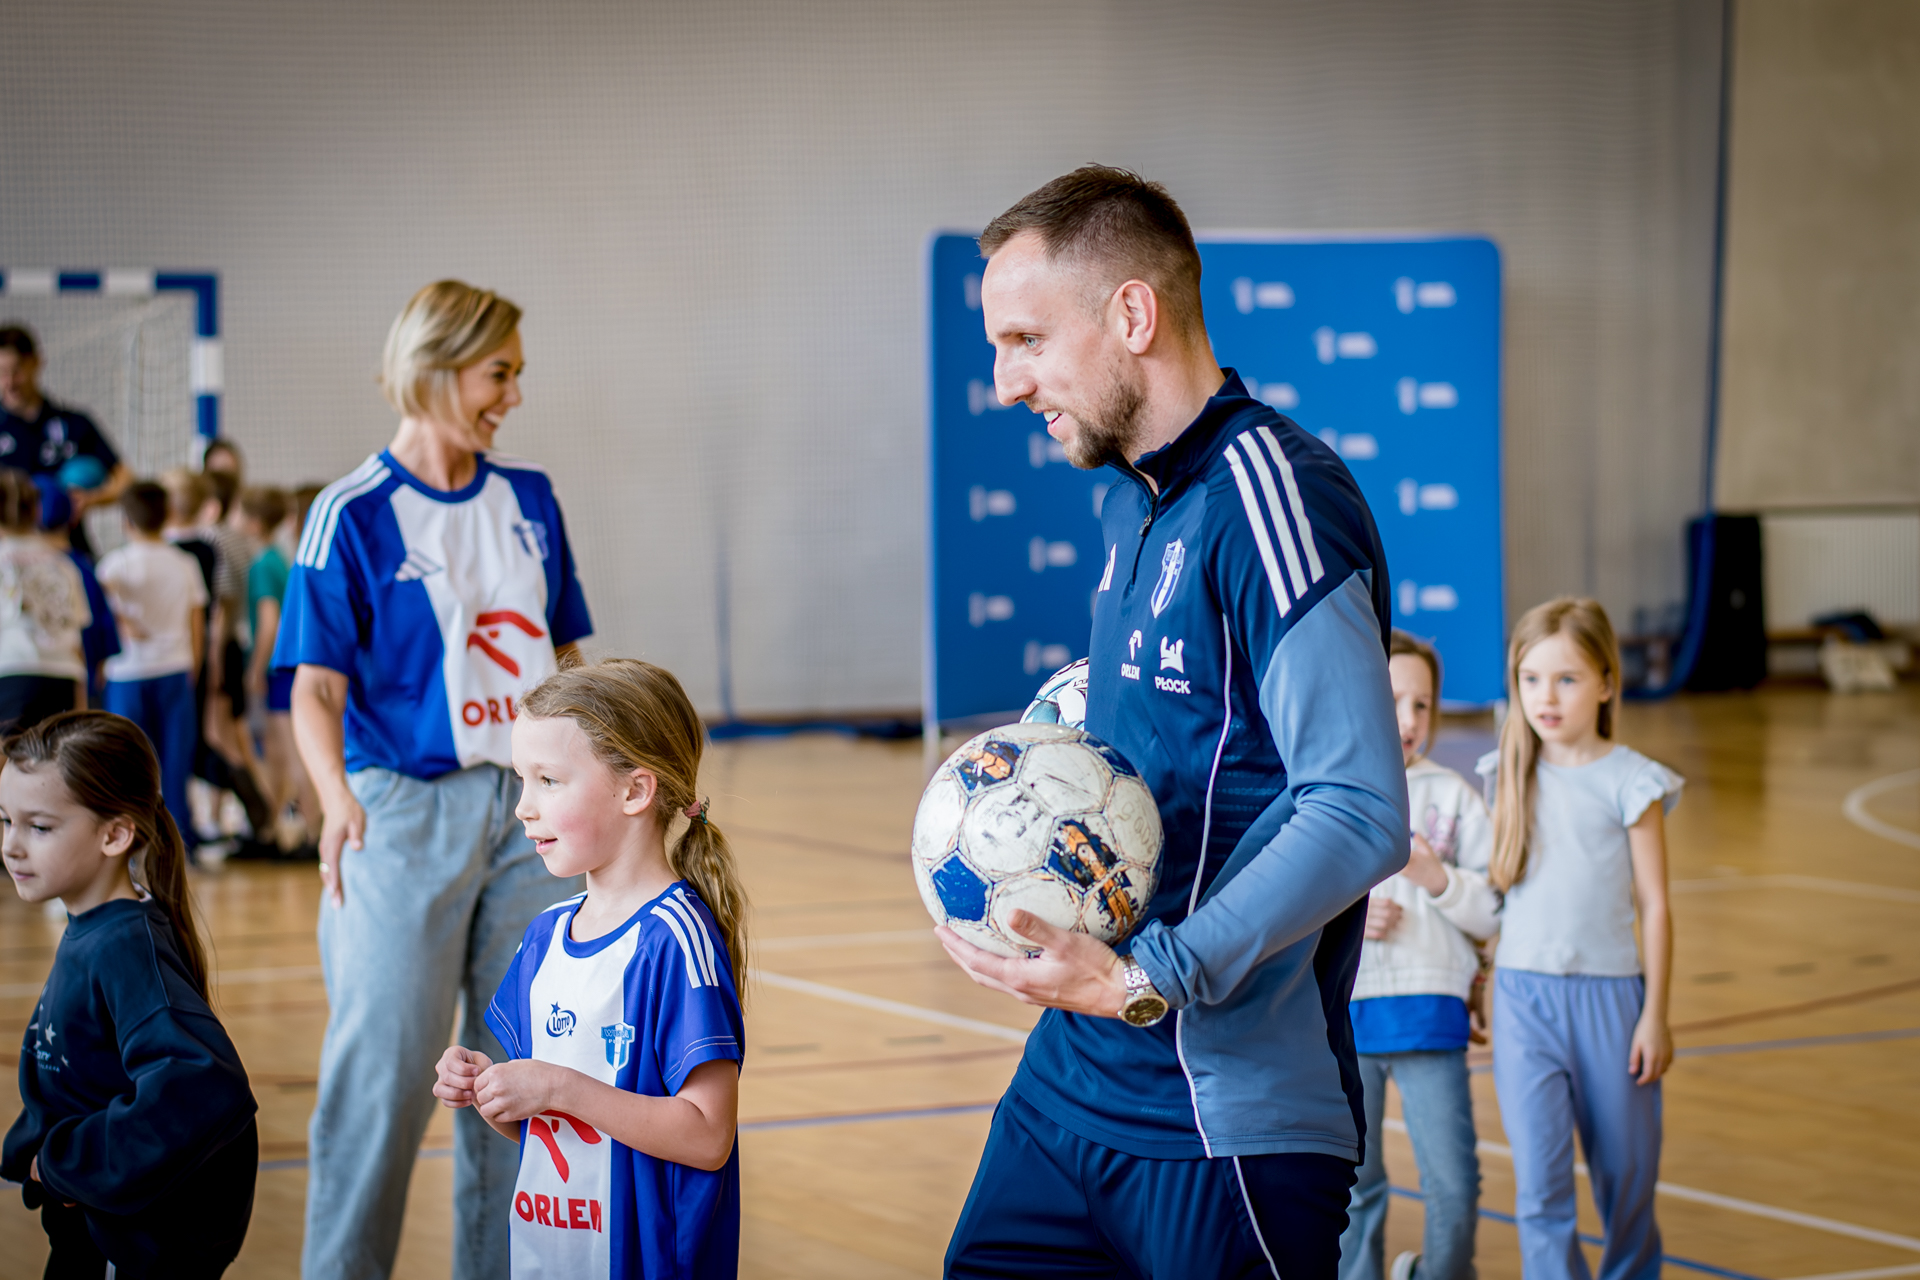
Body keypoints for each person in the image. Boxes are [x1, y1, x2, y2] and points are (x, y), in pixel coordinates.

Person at [938, 167, 1407, 1277]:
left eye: (1026, 340)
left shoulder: (1276, 501)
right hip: (1070, 1083)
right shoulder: (1132, 502)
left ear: (1133, 315)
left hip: (1222, 1116)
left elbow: (1358, 806)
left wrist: (1149, 976)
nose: (1006, 383)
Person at [277, 280, 594, 1280]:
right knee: (380, 1079)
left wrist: (601, 776)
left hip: (534, 812)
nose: (514, 395)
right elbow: (313, 688)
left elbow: (569, 662)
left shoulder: (531, 500)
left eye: (517, 374)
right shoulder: (349, 513)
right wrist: (336, 800)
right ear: (438, 365)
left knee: (514, 1079)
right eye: (500, 373)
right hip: (401, 814)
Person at [434, 658, 747, 1279]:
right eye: (521, 780)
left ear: (635, 791)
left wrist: (556, 1087)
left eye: (548, 780)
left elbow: (708, 1136)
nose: (523, 808)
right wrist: (496, 1092)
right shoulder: (544, 936)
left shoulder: (675, 941)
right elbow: (558, 1131)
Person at [0, 710, 258, 1277]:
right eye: (5, 821)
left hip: (125, 1244)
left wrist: (70, 1163)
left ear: (114, 835)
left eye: (38, 828)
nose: (12, 846)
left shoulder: (125, 947)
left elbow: (203, 1086)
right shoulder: (93, 926)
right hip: (91, 1227)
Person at [1478, 598, 1679, 1280]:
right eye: (1531, 679)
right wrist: (1480, 982)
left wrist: (1654, 1015)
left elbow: (1655, 906)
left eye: (1566, 679)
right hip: (1523, 1001)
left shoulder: (1633, 781)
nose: (1547, 697)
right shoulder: (1505, 774)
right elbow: (1493, 898)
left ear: (1606, 684)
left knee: (1628, 1179)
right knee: (1540, 1188)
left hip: (1612, 1003)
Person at [1340, 632, 1500, 1280]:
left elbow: (1493, 913)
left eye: (1423, 704)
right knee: (1355, 1187)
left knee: (1454, 1185)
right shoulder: (1327, 791)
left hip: (1430, 1017)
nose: (1408, 720)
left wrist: (1438, 880)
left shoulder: (1455, 797)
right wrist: (1351, 919)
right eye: (1393, 699)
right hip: (1346, 1022)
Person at [99, 482, 209, 849]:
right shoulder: (185, 563)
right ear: (167, 517)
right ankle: (178, 843)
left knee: (128, 765)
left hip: (126, 674)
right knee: (175, 763)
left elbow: (103, 616)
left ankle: (130, 842)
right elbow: (197, 622)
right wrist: (194, 666)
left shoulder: (114, 564)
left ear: (125, 521)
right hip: (175, 669)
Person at [0, 325, 133, 554]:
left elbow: (125, 479)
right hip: (10, 553)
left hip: (68, 547)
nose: (9, 382)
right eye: (1, 373)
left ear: (36, 362)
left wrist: (92, 499)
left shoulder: (74, 423)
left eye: (16, 371)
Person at [237, 485, 312, 854]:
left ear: (253, 521)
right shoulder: (278, 559)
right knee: (285, 754)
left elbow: (269, 622)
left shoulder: (264, 565)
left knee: (293, 755)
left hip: (278, 669)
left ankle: (311, 834)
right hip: (287, 666)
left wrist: (255, 668)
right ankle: (285, 831)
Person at [0, 469, 90, 732]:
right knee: (56, 755)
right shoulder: (63, 564)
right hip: (62, 676)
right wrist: (80, 696)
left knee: (10, 755)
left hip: (12, 670)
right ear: (37, 511)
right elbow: (75, 636)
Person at [32, 475, 121, 708]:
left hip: (35, 679)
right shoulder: (83, 568)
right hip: (80, 680)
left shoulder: (25, 570)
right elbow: (104, 630)